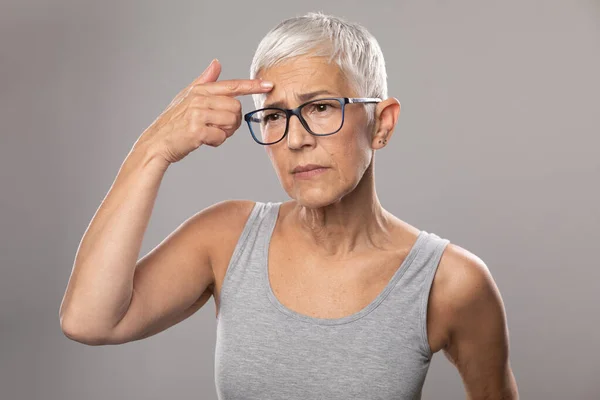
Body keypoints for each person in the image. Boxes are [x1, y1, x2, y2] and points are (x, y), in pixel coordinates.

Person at [59, 11, 519, 400]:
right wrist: (154, 149)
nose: (295, 139)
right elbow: (88, 320)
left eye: (320, 108)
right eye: (275, 115)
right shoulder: (227, 237)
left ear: (382, 123)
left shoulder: (451, 282)